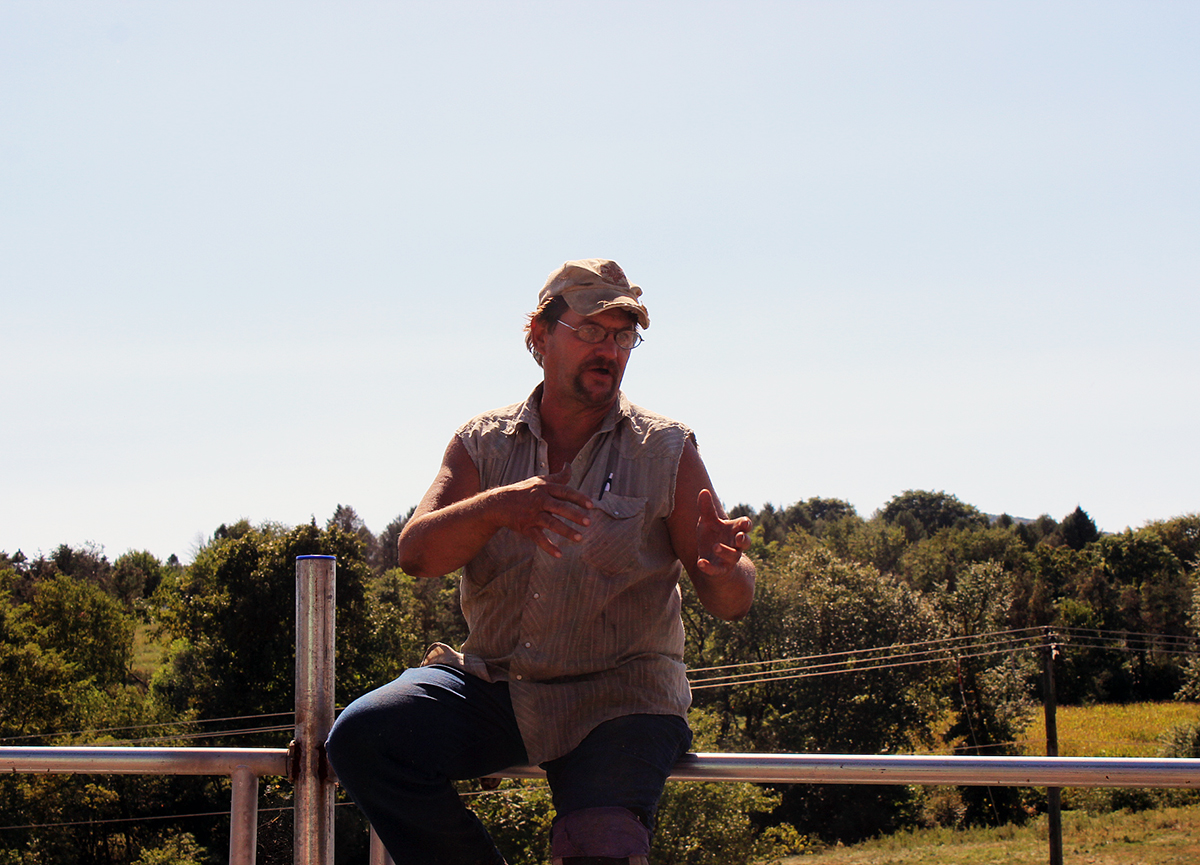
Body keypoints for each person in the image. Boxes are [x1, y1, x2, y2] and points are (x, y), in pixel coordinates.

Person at [326, 259, 755, 865]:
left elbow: (731, 602)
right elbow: (416, 556)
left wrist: (725, 569)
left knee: (599, 842)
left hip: (622, 697)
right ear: (540, 334)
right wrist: (499, 507)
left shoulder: (666, 447)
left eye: (622, 335)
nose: (609, 349)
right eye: (591, 330)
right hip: (497, 684)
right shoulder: (482, 442)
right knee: (365, 738)